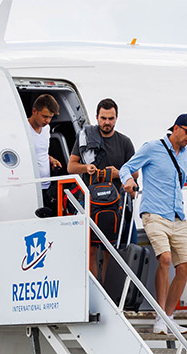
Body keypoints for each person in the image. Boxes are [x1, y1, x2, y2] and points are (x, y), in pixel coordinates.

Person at [119, 113, 187, 334]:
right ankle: (160, 317)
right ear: (176, 128)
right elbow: (125, 168)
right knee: (165, 258)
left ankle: (168, 317)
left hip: (177, 216)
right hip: (154, 213)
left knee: (186, 266)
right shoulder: (152, 147)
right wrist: (129, 179)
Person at [66, 98, 137, 278]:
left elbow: (135, 174)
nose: (107, 122)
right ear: (97, 117)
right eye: (103, 118)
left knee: (110, 252)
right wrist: (86, 168)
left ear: (116, 118)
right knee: (90, 250)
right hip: (91, 203)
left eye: (111, 118)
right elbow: (71, 167)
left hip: (115, 205)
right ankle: (93, 292)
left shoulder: (124, 142)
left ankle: (107, 291)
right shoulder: (85, 138)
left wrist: (118, 174)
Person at [28, 94, 62, 203]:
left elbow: (41, 152)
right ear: (34, 111)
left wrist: (51, 159)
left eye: (50, 117)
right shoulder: (24, 128)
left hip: (47, 184)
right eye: (45, 116)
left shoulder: (47, 129)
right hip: (30, 186)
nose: (48, 120)